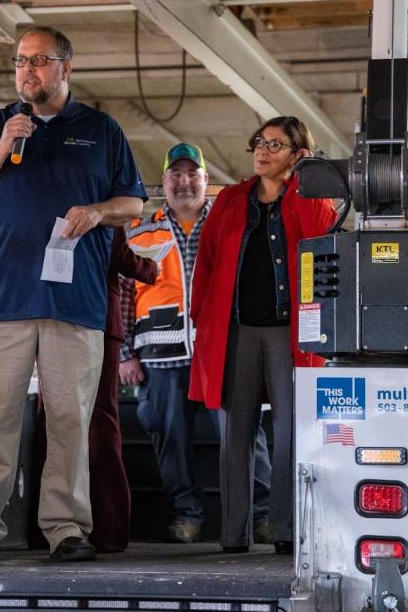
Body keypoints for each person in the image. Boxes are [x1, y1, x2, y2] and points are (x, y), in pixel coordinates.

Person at [0, 25, 146, 563]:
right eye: (19, 61)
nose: (27, 71)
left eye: (38, 60)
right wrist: (4, 145)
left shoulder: (101, 130)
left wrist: (99, 211)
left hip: (73, 303)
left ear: (66, 67)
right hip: (4, 299)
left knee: (68, 419)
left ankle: (66, 528)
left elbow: (134, 203)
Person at [188, 117, 336, 554]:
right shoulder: (232, 199)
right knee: (236, 433)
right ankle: (234, 535)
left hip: (291, 332)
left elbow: (320, 240)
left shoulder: (313, 199)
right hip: (238, 331)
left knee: (289, 432)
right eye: (259, 142)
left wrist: (305, 182)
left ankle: (286, 530)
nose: (263, 150)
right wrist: (202, 319)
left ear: (297, 154)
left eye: (276, 144)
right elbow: (208, 263)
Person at [119, 143, 273, 544]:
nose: (184, 181)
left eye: (193, 174)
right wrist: (125, 354)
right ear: (164, 182)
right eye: (176, 174)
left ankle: (261, 515)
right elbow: (122, 292)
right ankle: (186, 516)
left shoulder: (229, 225)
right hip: (158, 357)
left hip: (220, 350)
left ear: (207, 181)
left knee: (243, 432)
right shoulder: (139, 229)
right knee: (170, 440)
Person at [32, 226, 157, 553]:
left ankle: (45, 528)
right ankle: (109, 528)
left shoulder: (43, 202)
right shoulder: (103, 201)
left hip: (53, 317)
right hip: (99, 318)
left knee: (53, 420)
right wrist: (151, 267)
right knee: (100, 420)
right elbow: (118, 255)